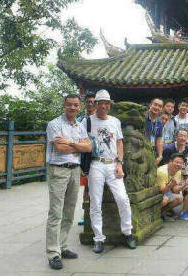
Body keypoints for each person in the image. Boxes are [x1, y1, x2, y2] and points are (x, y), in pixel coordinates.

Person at [45, 94, 92, 270]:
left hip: (74, 170)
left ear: (80, 107)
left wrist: (71, 143)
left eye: (76, 105)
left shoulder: (80, 126)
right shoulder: (55, 124)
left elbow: (88, 147)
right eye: (70, 104)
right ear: (64, 106)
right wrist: (77, 146)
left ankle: (62, 246)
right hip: (58, 170)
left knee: (69, 212)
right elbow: (61, 148)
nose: (73, 108)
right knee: (56, 213)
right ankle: (53, 253)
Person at [87, 90, 136, 253]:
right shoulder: (87, 121)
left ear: (110, 105)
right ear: (95, 104)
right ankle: (98, 238)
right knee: (95, 202)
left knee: (123, 198)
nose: (103, 106)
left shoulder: (115, 121)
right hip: (96, 164)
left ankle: (127, 232)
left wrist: (120, 163)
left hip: (113, 164)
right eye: (100, 103)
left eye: (106, 103)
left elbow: (119, 143)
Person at [77, 92, 96, 226]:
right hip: (86, 157)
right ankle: (86, 215)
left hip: (99, 156)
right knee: (87, 187)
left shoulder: (102, 118)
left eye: (93, 102)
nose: (90, 104)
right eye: (88, 102)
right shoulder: (81, 120)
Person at [156, 153, 188, 220]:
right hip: (156, 192)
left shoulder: (178, 171)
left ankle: (162, 213)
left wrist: (184, 185)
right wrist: (172, 183)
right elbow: (162, 191)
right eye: (177, 162)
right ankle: (154, 215)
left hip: (166, 191)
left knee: (180, 198)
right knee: (165, 200)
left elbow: (175, 190)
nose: (179, 165)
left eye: (181, 163)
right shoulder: (162, 172)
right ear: (170, 161)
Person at [145, 98, 164, 164]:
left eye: (160, 106)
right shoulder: (143, 117)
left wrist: (160, 155)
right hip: (141, 151)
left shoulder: (159, 122)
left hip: (152, 152)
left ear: (162, 109)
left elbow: (159, 139)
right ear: (150, 105)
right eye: (155, 105)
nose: (157, 107)